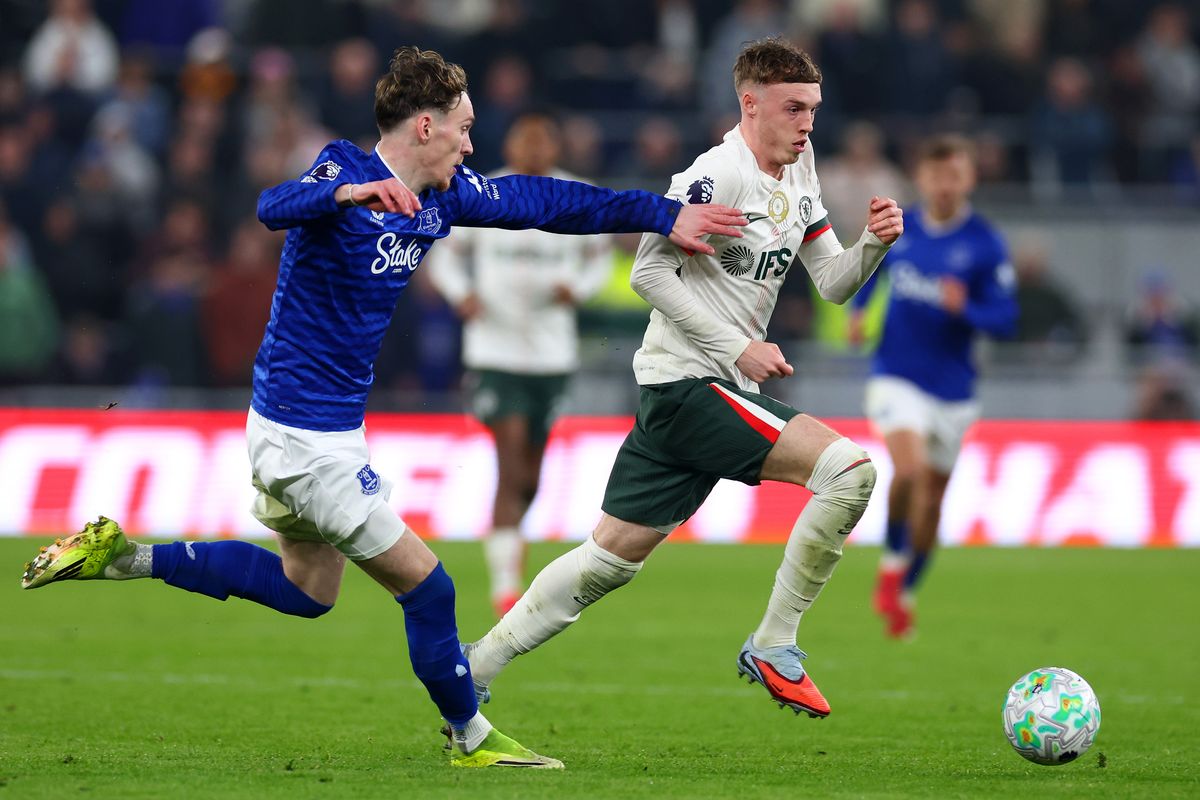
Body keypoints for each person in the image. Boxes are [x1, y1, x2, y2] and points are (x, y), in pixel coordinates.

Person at [19, 46, 746, 770]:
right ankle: (471, 736)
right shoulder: (343, 167)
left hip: (317, 431)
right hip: (302, 438)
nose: (471, 143)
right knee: (431, 587)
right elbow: (273, 205)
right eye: (462, 128)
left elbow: (549, 202)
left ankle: (124, 556)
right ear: (424, 127)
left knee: (308, 591)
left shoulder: (446, 195)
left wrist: (664, 212)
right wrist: (343, 196)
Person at [465, 37, 903, 720]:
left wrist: (873, 245)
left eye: (813, 109)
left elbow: (832, 285)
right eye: (793, 108)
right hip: (691, 386)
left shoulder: (799, 168)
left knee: (606, 562)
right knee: (849, 473)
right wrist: (739, 346)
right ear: (750, 103)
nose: (807, 123)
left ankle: (473, 666)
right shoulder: (714, 175)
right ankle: (773, 643)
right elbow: (647, 272)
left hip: (697, 392)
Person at [428, 111, 613, 617]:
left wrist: (577, 289)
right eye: (523, 139)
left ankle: (510, 542)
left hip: (552, 354)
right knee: (510, 467)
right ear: (511, 144)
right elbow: (443, 252)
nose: (532, 147)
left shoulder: (578, 194)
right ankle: (505, 587)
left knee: (531, 476)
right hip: (494, 350)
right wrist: (461, 293)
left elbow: (600, 260)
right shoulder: (485, 191)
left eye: (541, 139)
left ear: (553, 145)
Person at [847, 134, 1017, 639]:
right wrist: (858, 312)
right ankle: (892, 562)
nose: (945, 185)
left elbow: (1007, 319)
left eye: (955, 175)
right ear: (920, 178)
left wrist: (964, 307)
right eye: (936, 174)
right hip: (896, 375)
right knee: (910, 471)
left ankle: (906, 590)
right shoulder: (903, 227)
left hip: (955, 391)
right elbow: (872, 271)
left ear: (969, 179)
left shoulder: (984, 243)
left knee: (934, 502)